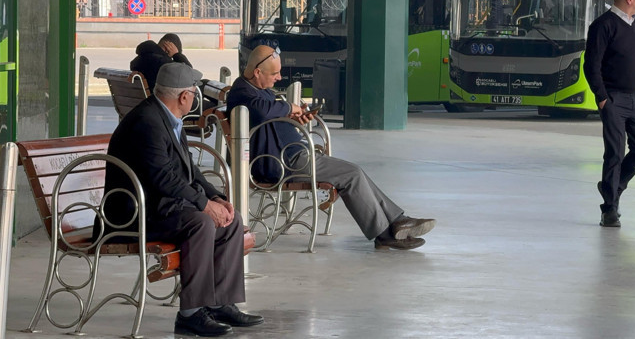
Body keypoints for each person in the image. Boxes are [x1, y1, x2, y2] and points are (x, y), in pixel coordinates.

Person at [101, 63, 263, 336]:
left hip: (160, 206)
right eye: (193, 92)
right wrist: (203, 206)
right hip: (134, 214)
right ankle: (191, 314)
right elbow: (163, 178)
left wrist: (215, 198)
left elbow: (189, 169)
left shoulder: (167, 117)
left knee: (230, 220)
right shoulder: (147, 122)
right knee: (200, 223)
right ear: (184, 97)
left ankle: (220, 302)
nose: (195, 98)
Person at [226, 44, 436, 250]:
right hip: (283, 163)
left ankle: (396, 221)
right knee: (351, 174)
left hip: (290, 156)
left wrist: (296, 119)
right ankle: (385, 233)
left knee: (354, 171)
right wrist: (290, 106)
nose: (279, 78)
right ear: (257, 72)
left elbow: (269, 117)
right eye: (275, 73)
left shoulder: (257, 89)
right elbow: (262, 110)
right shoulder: (242, 92)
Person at [583, 0, 635, 228]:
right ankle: (610, 210)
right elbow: (591, 66)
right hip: (613, 99)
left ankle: (614, 186)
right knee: (615, 151)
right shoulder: (602, 26)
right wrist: (603, 98)